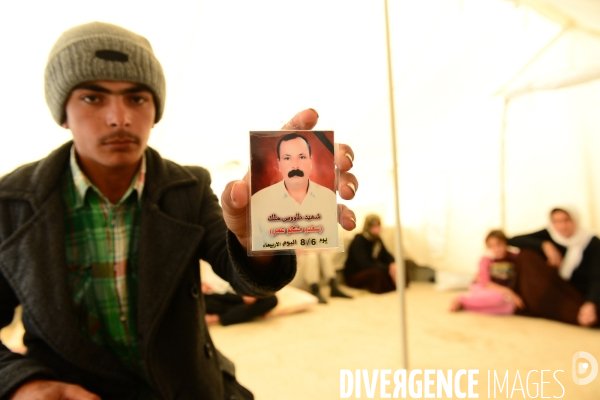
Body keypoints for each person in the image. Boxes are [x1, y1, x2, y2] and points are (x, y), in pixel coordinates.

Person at [0, 22, 359, 399]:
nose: (118, 117)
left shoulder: (186, 188)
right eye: (93, 98)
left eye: (137, 98)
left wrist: (262, 240)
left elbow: (242, 275)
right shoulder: (12, 204)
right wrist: (24, 383)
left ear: (155, 110)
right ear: (62, 112)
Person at [508, 207, 600, 327]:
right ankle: (538, 305)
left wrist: (591, 303)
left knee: (590, 315)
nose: (562, 226)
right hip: (554, 287)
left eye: (566, 220)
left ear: (575, 219)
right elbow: (512, 240)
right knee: (526, 255)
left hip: (578, 293)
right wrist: (544, 245)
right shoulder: (550, 234)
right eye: (557, 221)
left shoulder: (591, 242)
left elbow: (597, 277)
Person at [250, 132, 342, 251]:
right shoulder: (259, 201)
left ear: (310, 161)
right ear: (279, 164)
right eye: (287, 158)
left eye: (302, 157)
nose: (295, 165)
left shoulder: (328, 198)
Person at [450, 230, 524, 314]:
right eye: (491, 246)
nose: (496, 249)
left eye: (498, 244)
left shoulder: (514, 257)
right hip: (484, 288)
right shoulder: (486, 259)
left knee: (510, 308)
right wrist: (509, 293)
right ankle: (461, 299)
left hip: (501, 292)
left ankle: (466, 306)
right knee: (498, 298)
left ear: (505, 242)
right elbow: (485, 283)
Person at [343, 214, 397, 294]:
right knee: (377, 274)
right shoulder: (359, 240)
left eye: (378, 226)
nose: (377, 229)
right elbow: (364, 263)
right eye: (374, 226)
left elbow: (387, 255)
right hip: (356, 273)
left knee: (399, 267)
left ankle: (395, 284)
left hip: (373, 267)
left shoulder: (377, 239)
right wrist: (386, 269)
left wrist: (392, 264)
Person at [202, 283, 278, 326]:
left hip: (242, 292)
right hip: (215, 295)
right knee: (206, 302)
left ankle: (222, 316)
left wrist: (252, 292)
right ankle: (221, 317)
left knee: (271, 299)